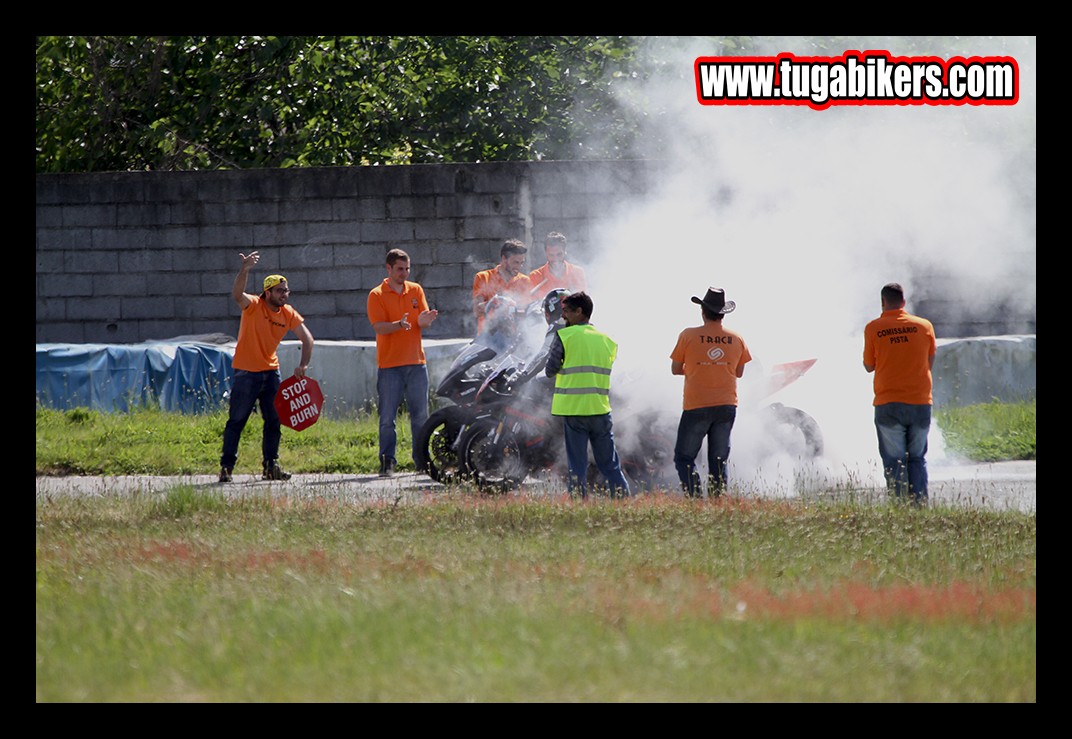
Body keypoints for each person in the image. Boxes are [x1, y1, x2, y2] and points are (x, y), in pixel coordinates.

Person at [219, 251, 314, 483]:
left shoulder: (288, 313)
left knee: (274, 420)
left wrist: (303, 365)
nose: (285, 294)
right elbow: (236, 294)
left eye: (286, 290)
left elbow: (307, 339)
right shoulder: (254, 305)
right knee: (237, 421)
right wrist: (245, 269)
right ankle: (226, 468)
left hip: (271, 373)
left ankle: (271, 466)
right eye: (280, 290)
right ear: (268, 292)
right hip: (246, 373)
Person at [545, 291, 630, 499]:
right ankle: (623, 501)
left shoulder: (564, 336)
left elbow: (550, 370)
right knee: (610, 464)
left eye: (565, 311)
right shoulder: (607, 340)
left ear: (579, 311)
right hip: (600, 410)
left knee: (577, 465)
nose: (563, 316)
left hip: (575, 411)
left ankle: (579, 505)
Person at [670, 287, 752, 498]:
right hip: (726, 405)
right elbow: (739, 372)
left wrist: (699, 367)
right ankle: (717, 501)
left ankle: (695, 499)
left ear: (703, 311)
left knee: (684, 457)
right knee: (718, 460)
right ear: (722, 314)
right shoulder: (737, 338)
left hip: (696, 405)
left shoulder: (688, 335)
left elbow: (676, 369)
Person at [863, 282, 937, 507]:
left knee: (894, 461)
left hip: (888, 403)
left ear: (883, 302)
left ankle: (899, 508)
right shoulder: (924, 326)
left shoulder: (874, 328)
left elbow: (868, 365)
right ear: (904, 302)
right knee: (917, 458)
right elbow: (930, 360)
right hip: (920, 402)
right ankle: (919, 506)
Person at [367, 248, 439, 477]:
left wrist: (425, 320)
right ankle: (387, 462)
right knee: (388, 418)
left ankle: (421, 461)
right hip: (389, 366)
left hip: (417, 363)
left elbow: (422, 321)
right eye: (400, 269)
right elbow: (378, 327)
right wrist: (399, 324)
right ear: (388, 268)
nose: (404, 273)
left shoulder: (416, 289)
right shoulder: (376, 294)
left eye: (407, 268)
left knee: (420, 416)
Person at [472, 239, 533, 334]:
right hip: (488, 337)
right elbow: (477, 310)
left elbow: (528, 313)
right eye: (515, 262)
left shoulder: (524, 281)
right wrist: (497, 303)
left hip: (514, 339)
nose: (519, 267)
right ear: (504, 259)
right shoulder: (483, 277)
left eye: (521, 263)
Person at [528, 231, 587, 298]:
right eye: (551, 255)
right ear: (546, 253)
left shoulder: (577, 273)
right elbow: (532, 305)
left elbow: (583, 301)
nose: (555, 259)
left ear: (565, 251)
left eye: (559, 254)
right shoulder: (535, 276)